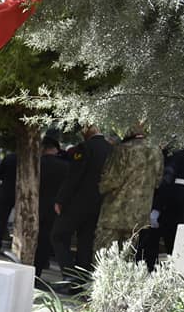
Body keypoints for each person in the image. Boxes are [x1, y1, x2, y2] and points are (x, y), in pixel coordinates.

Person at [50, 124, 112, 288]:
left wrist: (61, 199)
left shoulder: (85, 147)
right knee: (85, 240)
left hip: (77, 202)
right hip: (98, 203)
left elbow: (74, 176)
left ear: (89, 129)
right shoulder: (110, 149)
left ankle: (70, 277)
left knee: (58, 235)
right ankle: (81, 279)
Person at [96, 122, 163, 254]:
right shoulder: (157, 152)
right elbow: (158, 181)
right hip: (140, 213)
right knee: (128, 253)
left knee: (105, 253)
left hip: (114, 212)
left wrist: (98, 189)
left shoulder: (122, 149)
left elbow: (110, 180)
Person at [34, 135, 70, 280]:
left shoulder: (36, 164)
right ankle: (44, 265)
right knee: (50, 239)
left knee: (37, 239)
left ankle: (35, 270)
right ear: (56, 149)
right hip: (55, 208)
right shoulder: (65, 166)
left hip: (36, 206)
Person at [0, 151, 17, 253]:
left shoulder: (9, 157)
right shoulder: (32, 158)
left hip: (7, 190)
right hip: (22, 191)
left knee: (2, 219)